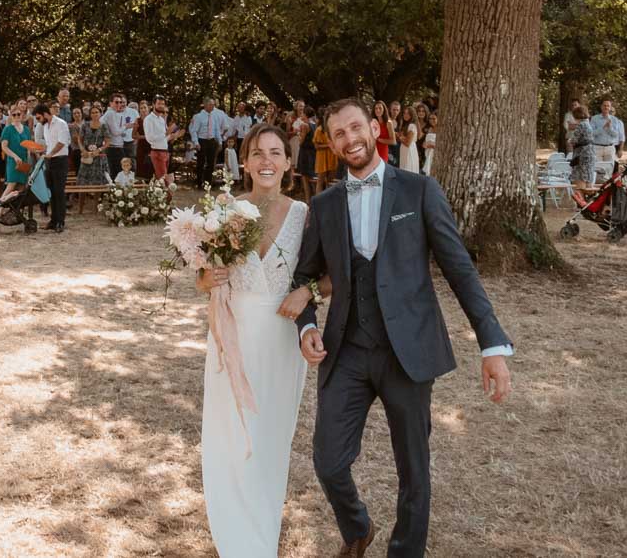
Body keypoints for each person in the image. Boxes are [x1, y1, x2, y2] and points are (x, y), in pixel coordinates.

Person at [283, 99, 512, 558]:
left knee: (413, 469)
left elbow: (460, 270)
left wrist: (492, 344)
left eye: (355, 128)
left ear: (374, 128)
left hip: (407, 350)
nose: (350, 139)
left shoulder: (419, 191)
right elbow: (304, 276)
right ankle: (358, 527)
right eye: (339, 134)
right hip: (345, 348)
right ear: (330, 142)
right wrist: (307, 324)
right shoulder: (324, 205)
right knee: (328, 461)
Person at [198, 124, 331, 558]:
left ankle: (261, 534)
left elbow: (330, 277)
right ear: (246, 162)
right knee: (231, 435)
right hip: (231, 339)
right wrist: (206, 277)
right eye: (257, 153)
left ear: (288, 162)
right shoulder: (225, 211)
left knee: (271, 436)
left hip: (278, 340)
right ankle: (233, 533)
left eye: (275, 152)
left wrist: (306, 293)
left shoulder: (305, 214)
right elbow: (204, 277)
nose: (267, 161)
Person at [34, 102, 71, 232]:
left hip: (60, 161)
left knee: (59, 192)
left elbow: (62, 143)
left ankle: (60, 221)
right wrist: (39, 150)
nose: (38, 121)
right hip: (49, 161)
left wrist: (50, 154)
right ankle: (53, 220)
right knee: (51, 192)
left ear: (45, 114)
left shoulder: (61, 124)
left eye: (39, 118)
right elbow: (49, 144)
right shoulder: (45, 126)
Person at [189, 96, 231, 190]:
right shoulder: (199, 117)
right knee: (201, 162)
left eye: (213, 105)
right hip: (202, 140)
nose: (212, 106)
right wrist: (196, 142)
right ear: (205, 105)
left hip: (211, 141)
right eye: (210, 105)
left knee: (211, 164)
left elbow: (216, 130)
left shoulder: (214, 116)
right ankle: (199, 183)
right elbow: (194, 130)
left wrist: (220, 142)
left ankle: (208, 183)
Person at [588, 99, 625, 185]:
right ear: (601, 107)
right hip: (597, 147)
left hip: (610, 147)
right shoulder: (594, 119)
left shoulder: (615, 120)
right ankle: (597, 190)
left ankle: (607, 190)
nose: (606, 107)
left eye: (608, 106)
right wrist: (603, 128)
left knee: (608, 171)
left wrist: (609, 128)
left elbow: (616, 135)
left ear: (610, 108)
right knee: (597, 170)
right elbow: (591, 133)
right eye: (604, 105)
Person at [75, 104, 109, 186]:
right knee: (83, 181)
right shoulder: (85, 125)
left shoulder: (104, 126)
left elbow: (108, 142)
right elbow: (79, 139)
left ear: (100, 113)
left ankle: (96, 199)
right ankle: (81, 199)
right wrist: (83, 150)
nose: (95, 114)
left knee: (98, 182)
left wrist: (99, 150)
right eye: (92, 113)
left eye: (96, 112)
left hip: (98, 156)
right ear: (90, 114)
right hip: (86, 155)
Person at [102, 94, 134, 181]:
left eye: (120, 102)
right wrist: (126, 126)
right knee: (119, 174)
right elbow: (116, 132)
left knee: (116, 174)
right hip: (114, 148)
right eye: (116, 102)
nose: (119, 104)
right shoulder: (110, 113)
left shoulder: (111, 113)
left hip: (114, 147)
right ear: (110, 103)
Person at [567, 103, 595, 194]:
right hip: (590, 153)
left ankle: (580, 201)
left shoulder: (581, 125)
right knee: (588, 175)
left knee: (580, 178)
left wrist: (570, 141)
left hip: (582, 154)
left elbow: (574, 140)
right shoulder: (588, 124)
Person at [144, 97, 172, 181]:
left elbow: (164, 138)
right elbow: (149, 138)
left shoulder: (161, 119)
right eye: (159, 103)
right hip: (157, 152)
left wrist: (173, 135)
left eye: (163, 104)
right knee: (163, 180)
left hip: (165, 152)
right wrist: (165, 134)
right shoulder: (149, 119)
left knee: (161, 179)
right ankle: (168, 194)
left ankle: (161, 194)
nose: (161, 106)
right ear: (153, 105)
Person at [398, 105, 420, 173]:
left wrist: (399, 137)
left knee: (408, 169)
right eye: (404, 113)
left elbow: (407, 143)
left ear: (412, 115)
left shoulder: (412, 126)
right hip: (405, 150)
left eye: (408, 113)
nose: (405, 115)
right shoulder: (406, 125)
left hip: (409, 150)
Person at [421, 112, 438, 176]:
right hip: (428, 153)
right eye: (430, 119)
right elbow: (425, 141)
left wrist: (431, 145)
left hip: (435, 154)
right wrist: (424, 144)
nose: (431, 120)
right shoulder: (429, 129)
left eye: (434, 119)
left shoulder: (441, 129)